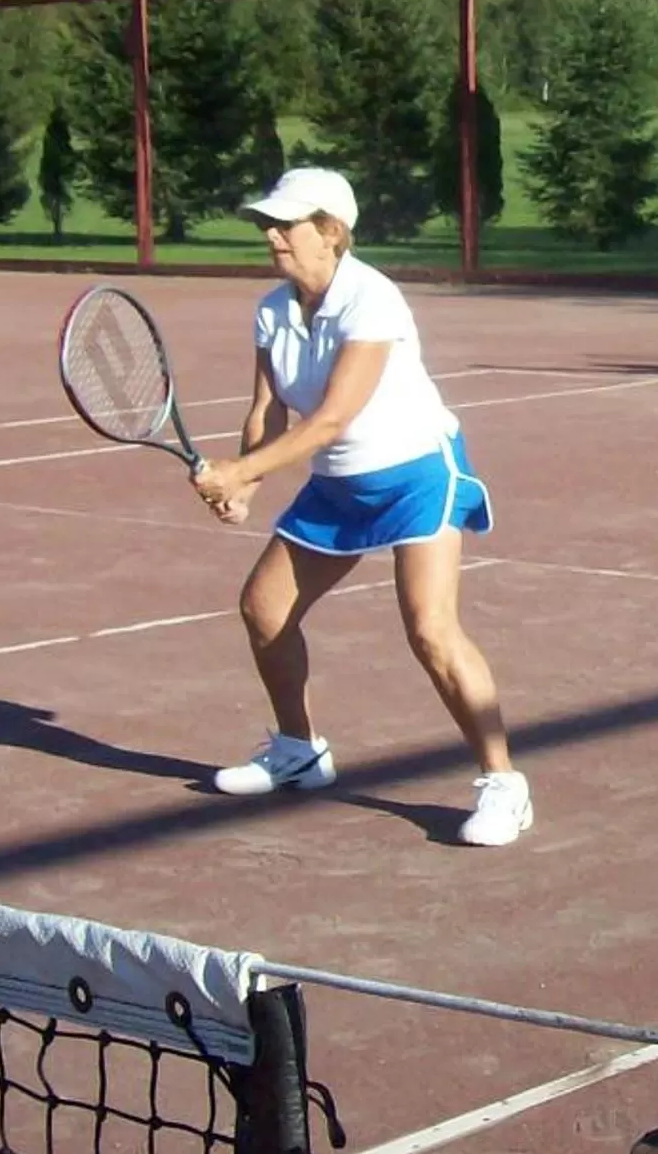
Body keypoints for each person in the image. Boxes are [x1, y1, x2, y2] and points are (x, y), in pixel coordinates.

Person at [189, 166, 534, 848]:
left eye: (286, 225)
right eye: (267, 224)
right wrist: (246, 486)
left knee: (430, 631)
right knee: (264, 610)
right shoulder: (271, 309)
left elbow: (332, 419)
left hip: (414, 476)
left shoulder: (371, 301)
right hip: (338, 487)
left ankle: (503, 784)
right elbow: (268, 409)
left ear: (332, 232)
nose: (272, 236)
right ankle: (300, 751)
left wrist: (240, 469)